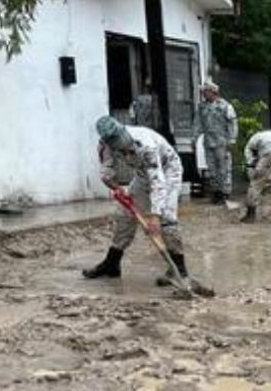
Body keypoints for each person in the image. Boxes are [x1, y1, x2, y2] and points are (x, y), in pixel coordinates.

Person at [83, 116, 188, 286]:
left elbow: (157, 181)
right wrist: (116, 187)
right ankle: (112, 263)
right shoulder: (105, 145)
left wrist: (154, 216)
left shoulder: (145, 144)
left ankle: (179, 269)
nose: (120, 146)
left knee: (166, 219)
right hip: (141, 174)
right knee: (124, 214)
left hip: (168, 171)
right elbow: (106, 171)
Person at [196, 81, 238, 205]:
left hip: (222, 141)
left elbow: (232, 124)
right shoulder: (202, 107)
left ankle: (224, 192)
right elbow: (197, 123)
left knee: (223, 168)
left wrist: (232, 139)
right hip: (208, 141)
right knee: (211, 168)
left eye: (205, 91)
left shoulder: (225, 106)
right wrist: (194, 137)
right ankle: (216, 192)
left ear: (213, 92)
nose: (203, 94)